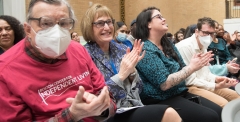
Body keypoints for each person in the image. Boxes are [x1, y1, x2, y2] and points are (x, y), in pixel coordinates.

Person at [0, 0, 116, 122]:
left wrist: (101, 108)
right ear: (28, 29)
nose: (56, 31)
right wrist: (72, 115)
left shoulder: (77, 50)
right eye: (46, 23)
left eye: (63, 23)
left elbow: (108, 97)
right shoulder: (5, 70)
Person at [81, 3, 182, 122]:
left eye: (109, 22)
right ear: (89, 27)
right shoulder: (84, 55)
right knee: (168, 114)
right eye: (100, 23)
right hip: (106, 114)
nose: (107, 27)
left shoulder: (122, 49)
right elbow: (94, 98)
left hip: (132, 106)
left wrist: (133, 73)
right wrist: (121, 76)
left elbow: (139, 88)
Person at [135, 6, 222, 122]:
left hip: (179, 92)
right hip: (160, 99)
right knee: (210, 116)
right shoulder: (144, 49)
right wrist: (192, 67)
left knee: (219, 111)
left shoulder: (168, 44)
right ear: (148, 24)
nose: (164, 19)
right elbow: (164, 84)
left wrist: (193, 65)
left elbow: (182, 68)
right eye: (158, 17)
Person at [175, 17, 240, 108]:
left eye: (212, 34)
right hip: (190, 87)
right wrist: (215, 85)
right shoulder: (185, 47)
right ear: (197, 32)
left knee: (237, 97)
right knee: (224, 104)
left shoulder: (203, 46)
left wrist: (218, 78)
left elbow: (206, 73)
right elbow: (190, 81)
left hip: (203, 83)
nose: (208, 37)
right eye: (205, 33)